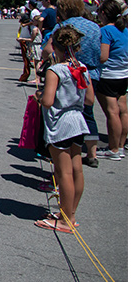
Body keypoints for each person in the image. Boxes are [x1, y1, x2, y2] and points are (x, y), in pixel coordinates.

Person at [33, 25, 92, 233]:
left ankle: (66, 219)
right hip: (78, 121)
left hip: (61, 124)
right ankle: (70, 212)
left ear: (55, 46)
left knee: (63, 172)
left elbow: (48, 101)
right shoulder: (81, 67)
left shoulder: (55, 70)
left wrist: (39, 96)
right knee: (76, 169)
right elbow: (90, 99)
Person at [40, 0, 102, 168]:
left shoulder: (63, 27)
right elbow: (101, 54)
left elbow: (46, 51)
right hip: (90, 72)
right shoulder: (94, 27)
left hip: (66, 71)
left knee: (63, 110)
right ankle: (91, 153)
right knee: (87, 112)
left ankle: (62, 157)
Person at [94, 0, 127, 160]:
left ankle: (113, 149)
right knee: (123, 111)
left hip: (109, 75)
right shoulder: (125, 30)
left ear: (104, 13)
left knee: (112, 113)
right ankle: (120, 146)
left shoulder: (106, 30)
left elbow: (103, 56)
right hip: (124, 74)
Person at [16, 13, 39, 82]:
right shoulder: (23, 25)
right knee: (25, 60)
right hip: (23, 41)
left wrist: (29, 47)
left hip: (26, 42)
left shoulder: (28, 26)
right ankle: (25, 74)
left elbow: (29, 36)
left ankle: (25, 75)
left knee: (27, 61)